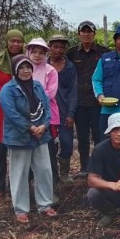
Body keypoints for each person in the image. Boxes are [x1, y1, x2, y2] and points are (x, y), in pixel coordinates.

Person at [0, 55, 57, 223]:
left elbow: (47, 108)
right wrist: (30, 127)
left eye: (28, 68)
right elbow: (11, 114)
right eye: (22, 68)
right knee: (20, 173)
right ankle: (21, 209)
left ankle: (45, 205)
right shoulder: (8, 90)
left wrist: (44, 125)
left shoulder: (37, 86)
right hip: (19, 137)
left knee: (44, 170)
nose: (26, 71)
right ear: (15, 70)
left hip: (41, 135)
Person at [67, 21, 109, 178]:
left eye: (89, 32)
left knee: (99, 135)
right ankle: (85, 167)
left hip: (98, 102)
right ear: (78, 34)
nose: (86, 34)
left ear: (94, 34)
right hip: (79, 102)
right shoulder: (71, 53)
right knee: (83, 137)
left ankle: (99, 167)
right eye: (83, 32)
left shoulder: (104, 53)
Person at [0, 29, 24, 199]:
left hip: (21, 108)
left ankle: (18, 186)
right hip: (1, 109)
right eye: (12, 41)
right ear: (7, 42)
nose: (15, 44)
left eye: (19, 41)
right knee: (0, 149)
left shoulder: (24, 61)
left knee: (19, 150)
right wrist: (14, 96)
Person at [27, 37, 59, 189]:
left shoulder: (50, 71)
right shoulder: (24, 69)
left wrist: (31, 95)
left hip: (47, 116)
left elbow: (51, 93)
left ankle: (51, 187)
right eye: (34, 52)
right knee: (27, 153)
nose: (38, 55)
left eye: (41, 52)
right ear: (29, 52)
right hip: (27, 117)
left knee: (49, 153)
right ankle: (26, 188)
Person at [48, 34, 78, 184]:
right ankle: (52, 175)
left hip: (64, 112)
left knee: (67, 143)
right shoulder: (43, 66)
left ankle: (64, 172)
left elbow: (73, 91)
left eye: (62, 47)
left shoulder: (70, 66)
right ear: (49, 47)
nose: (59, 50)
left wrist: (71, 113)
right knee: (50, 145)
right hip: (47, 114)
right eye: (55, 47)